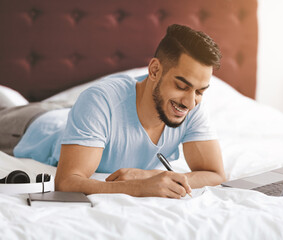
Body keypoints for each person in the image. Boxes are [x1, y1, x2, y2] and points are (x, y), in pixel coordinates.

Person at [0, 24, 225, 198]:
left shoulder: (191, 105)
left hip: (76, 114)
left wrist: (148, 174)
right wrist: (139, 186)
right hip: (31, 126)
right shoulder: (100, 100)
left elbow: (216, 175)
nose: (190, 101)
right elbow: (67, 182)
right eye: (181, 86)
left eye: (200, 91)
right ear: (155, 70)